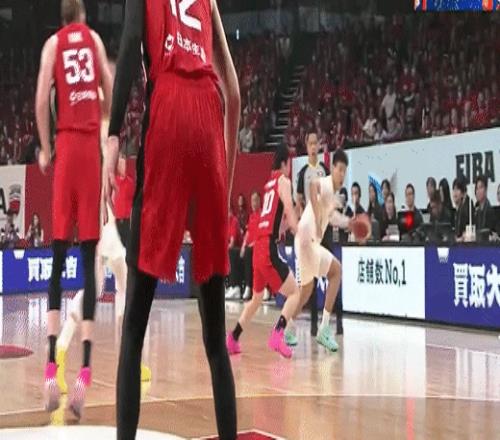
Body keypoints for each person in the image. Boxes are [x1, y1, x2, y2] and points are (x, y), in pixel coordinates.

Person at [104, 0, 240, 437]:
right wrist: (225, 180)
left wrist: (113, 135)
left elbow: (130, 43)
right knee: (216, 341)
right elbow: (234, 91)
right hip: (209, 115)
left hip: (169, 108)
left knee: (133, 329)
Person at [35, 0, 112, 416]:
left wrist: (46, 149)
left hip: (65, 147)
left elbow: (40, 99)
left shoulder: (53, 45)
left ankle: (50, 365)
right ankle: (85, 371)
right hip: (89, 152)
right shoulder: (95, 40)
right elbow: (110, 89)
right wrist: (104, 124)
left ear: (61, 18)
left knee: (57, 258)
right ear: (82, 15)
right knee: (88, 262)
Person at [226, 146, 301, 358]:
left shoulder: (269, 184)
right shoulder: (283, 181)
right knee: (295, 293)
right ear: (285, 163)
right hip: (267, 248)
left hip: (259, 245)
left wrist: (287, 226)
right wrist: (300, 231)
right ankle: (278, 334)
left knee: (257, 298)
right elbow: (289, 214)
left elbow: (277, 222)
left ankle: (233, 338)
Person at [294, 149, 357, 352]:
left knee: (305, 293)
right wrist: (316, 214)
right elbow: (312, 185)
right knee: (336, 271)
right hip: (308, 241)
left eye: (344, 171)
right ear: (333, 169)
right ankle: (324, 329)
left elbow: (333, 218)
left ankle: (281, 328)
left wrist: (349, 223)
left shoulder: (332, 196)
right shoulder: (327, 184)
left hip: (303, 242)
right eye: (339, 169)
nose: (342, 174)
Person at [296, 130, 331, 336]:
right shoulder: (303, 173)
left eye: (315, 143)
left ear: (318, 145)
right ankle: (313, 324)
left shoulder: (324, 170)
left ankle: (334, 322)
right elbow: (299, 200)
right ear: (306, 146)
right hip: (311, 230)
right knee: (313, 276)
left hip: (325, 226)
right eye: (310, 143)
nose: (313, 147)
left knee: (331, 272)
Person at [240, 191, 261, 300]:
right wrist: (243, 245)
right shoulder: (251, 216)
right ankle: (235, 286)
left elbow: (261, 233)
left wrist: (252, 244)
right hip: (250, 246)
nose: (253, 203)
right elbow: (248, 233)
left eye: (255, 200)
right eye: (252, 200)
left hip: (259, 245)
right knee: (234, 252)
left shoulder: (262, 215)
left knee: (248, 252)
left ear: (259, 201)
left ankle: (249, 286)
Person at [114, 153, 135, 248]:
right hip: (117, 219)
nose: (123, 167)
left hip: (127, 219)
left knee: (128, 244)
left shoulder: (130, 182)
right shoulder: (114, 181)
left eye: (124, 164)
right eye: (120, 164)